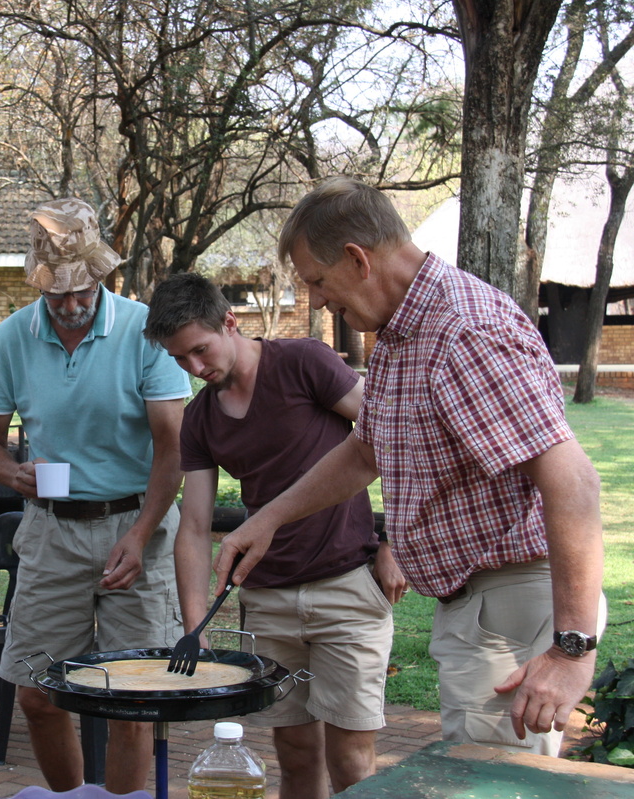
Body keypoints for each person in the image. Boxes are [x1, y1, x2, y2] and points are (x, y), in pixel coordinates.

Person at [219, 177, 605, 757]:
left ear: (357, 259)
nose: (319, 301)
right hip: (474, 605)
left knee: (487, 786)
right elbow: (366, 451)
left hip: (513, 602)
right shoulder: (402, 333)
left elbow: (573, 481)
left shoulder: (464, 331)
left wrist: (571, 650)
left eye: (318, 282)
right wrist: (267, 520)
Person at [143, 272, 404, 797]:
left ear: (230, 323)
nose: (195, 369)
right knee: (295, 752)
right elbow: (193, 526)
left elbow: (395, 438)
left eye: (200, 350)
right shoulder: (199, 419)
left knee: (351, 756)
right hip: (267, 601)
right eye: (179, 360)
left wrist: (394, 542)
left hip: (346, 588)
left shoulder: (305, 363)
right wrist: (196, 627)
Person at [0, 197, 192, 793]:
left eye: (82, 292)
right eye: (57, 295)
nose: (71, 307)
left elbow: (173, 450)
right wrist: (10, 473)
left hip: (136, 525)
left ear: (102, 276)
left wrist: (141, 534)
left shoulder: (144, 332)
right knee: (37, 694)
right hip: (49, 530)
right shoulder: (14, 338)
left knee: (134, 698)